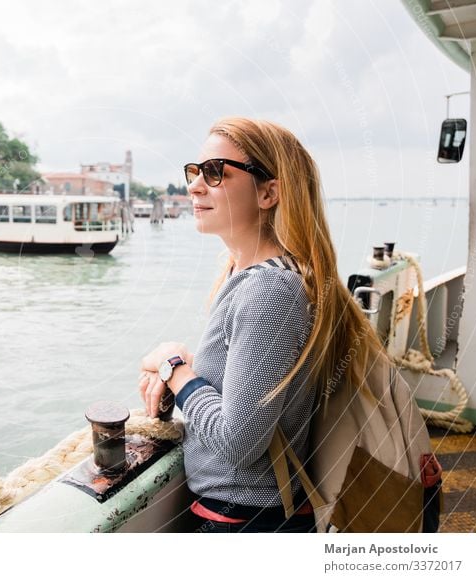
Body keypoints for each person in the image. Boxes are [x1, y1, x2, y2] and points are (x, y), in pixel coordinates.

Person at [138, 117, 385, 533]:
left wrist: (174, 367)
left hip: (244, 522)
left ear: (269, 192)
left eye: (216, 172)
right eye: (194, 172)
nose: (195, 186)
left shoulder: (270, 289)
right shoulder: (263, 276)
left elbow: (238, 443)